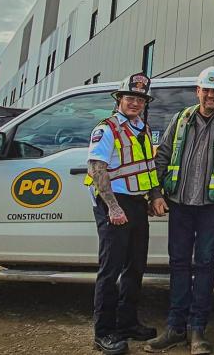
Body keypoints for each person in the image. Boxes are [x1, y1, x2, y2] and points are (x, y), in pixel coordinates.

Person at [144, 66, 214, 355]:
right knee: (178, 264)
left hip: (211, 208)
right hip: (179, 204)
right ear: (198, 91)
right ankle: (176, 328)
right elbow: (162, 156)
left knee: (205, 265)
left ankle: (197, 330)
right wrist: (155, 193)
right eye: (206, 90)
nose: (210, 95)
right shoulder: (180, 119)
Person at [87, 73, 160, 355]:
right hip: (114, 204)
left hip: (137, 204)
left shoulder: (140, 128)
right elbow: (97, 170)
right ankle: (103, 332)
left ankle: (127, 322)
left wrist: (154, 196)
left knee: (135, 266)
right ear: (119, 100)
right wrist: (113, 208)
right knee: (111, 270)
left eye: (140, 99)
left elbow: (146, 166)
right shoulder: (106, 130)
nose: (135, 103)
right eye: (130, 97)